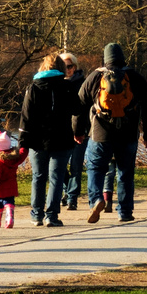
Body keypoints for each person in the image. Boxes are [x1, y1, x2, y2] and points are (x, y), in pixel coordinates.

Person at [75, 42, 147, 224]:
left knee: (95, 169)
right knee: (125, 172)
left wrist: (78, 131)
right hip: (128, 134)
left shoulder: (95, 77)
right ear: (122, 57)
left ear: (105, 58)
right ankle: (125, 211)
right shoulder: (135, 77)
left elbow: (79, 106)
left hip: (100, 134)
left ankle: (96, 200)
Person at [19, 52, 79, 227]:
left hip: (38, 140)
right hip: (61, 139)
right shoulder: (67, 87)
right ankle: (51, 215)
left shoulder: (34, 87)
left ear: (43, 67)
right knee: (56, 177)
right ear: (61, 68)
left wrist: (23, 141)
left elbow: (26, 117)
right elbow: (77, 109)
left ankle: (37, 213)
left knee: (38, 176)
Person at [59, 52, 87, 210]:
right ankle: (66, 190)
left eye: (70, 66)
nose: (67, 69)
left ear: (75, 67)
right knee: (59, 165)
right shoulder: (55, 84)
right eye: (64, 66)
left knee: (76, 165)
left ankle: (72, 198)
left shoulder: (82, 83)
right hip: (61, 131)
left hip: (80, 130)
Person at [0, 128, 27, 228]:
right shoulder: (14, 158)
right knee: (9, 203)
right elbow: (22, 155)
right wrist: (24, 147)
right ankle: (10, 215)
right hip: (11, 188)